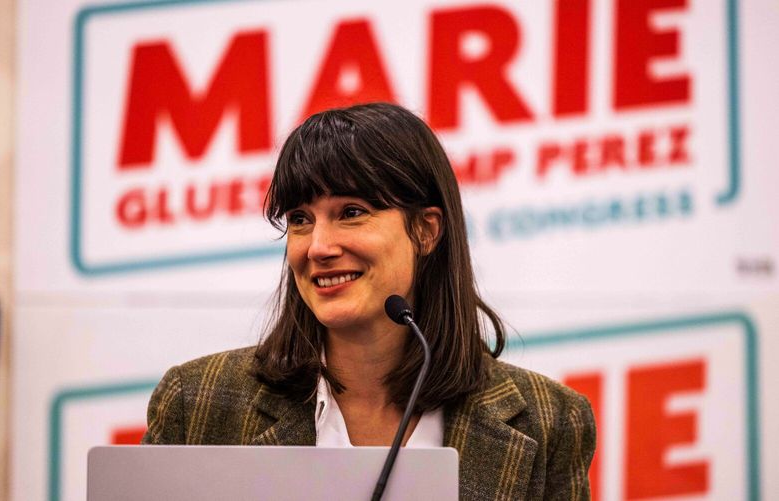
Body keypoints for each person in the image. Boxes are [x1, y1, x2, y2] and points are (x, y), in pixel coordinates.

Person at [142, 103, 596, 499]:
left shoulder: (549, 421)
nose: (317, 246)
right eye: (300, 219)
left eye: (352, 213)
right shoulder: (198, 402)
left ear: (426, 230)